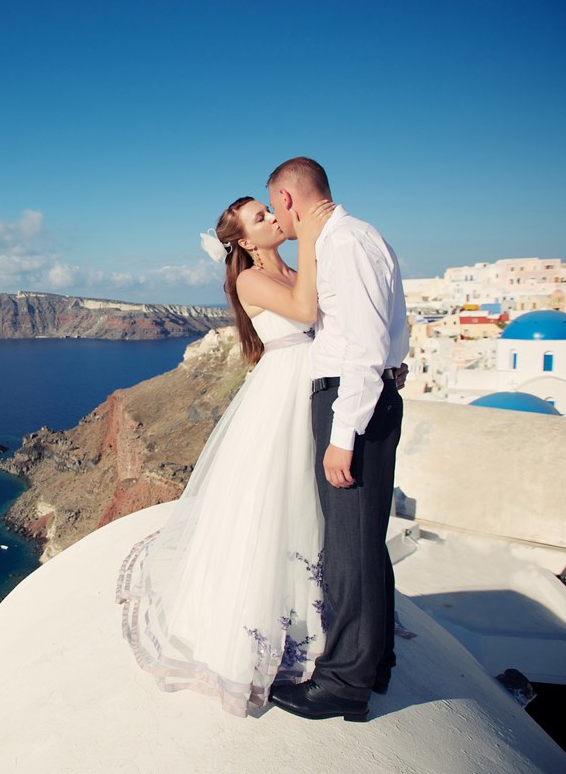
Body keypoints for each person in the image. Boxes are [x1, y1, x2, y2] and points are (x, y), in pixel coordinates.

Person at [116, 193, 333, 717]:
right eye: (260, 218)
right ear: (242, 241)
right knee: (274, 499)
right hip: (283, 395)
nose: (272, 218)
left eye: (269, 211)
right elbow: (306, 311)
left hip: (313, 389)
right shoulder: (250, 279)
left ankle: (320, 618)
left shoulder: (292, 269)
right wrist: (311, 235)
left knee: (310, 501)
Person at [265, 157, 409, 723]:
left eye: (276, 208)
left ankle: (345, 682)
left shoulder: (344, 244)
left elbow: (365, 347)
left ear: (288, 200)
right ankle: (377, 661)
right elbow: (385, 329)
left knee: (348, 545)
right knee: (365, 538)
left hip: (351, 402)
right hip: (364, 397)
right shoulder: (362, 236)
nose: (280, 218)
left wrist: (342, 434)